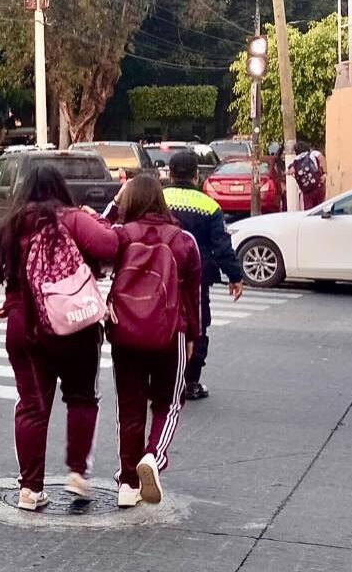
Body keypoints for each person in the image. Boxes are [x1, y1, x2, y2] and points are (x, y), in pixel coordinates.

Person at [0, 164, 118, 510]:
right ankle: (78, 474)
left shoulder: (12, 224)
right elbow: (110, 246)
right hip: (76, 324)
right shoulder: (74, 219)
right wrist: (100, 220)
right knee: (81, 398)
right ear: (61, 188)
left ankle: (30, 490)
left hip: (25, 325)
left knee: (33, 407)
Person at [109, 175, 202, 507]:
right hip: (170, 331)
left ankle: (127, 483)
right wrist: (194, 336)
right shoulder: (183, 241)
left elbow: (93, 241)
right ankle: (153, 457)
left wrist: (114, 205)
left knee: (129, 408)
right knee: (168, 402)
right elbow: (194, 294)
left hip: (125, 334)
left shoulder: (119, 237)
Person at [163, 151, 244, 400]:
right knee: (196, 326)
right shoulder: (209, 205)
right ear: (197, 175)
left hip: (161, 274)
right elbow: (221, 246)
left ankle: (164, 381)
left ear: (170, 173)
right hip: (196, 278)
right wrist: (235, 276)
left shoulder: (159, 198)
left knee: (163, 323)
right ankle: (190, 382)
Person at [288, 142, 327, 209]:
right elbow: (321, 158)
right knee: (321, 208)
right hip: (318, 185)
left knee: (309, 211)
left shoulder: (295, 161)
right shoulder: (313, 153)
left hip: (306, 191)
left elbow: (290, 172)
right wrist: (324, 173)